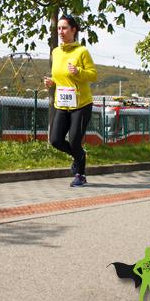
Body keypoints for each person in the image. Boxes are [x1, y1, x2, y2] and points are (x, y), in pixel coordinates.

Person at [44, 15, 97, 187]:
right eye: (59, 28)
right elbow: (60, 76)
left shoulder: (82, 51)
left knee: (74, 140)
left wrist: (78, 71)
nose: (61, 32)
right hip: (62, 103)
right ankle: (79, 155)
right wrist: (52, 82)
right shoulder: (56, 52)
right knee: (55, 140)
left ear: (74, 30)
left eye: (64, 28)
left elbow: (93, 75)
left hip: (81, 104)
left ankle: (80, 175)